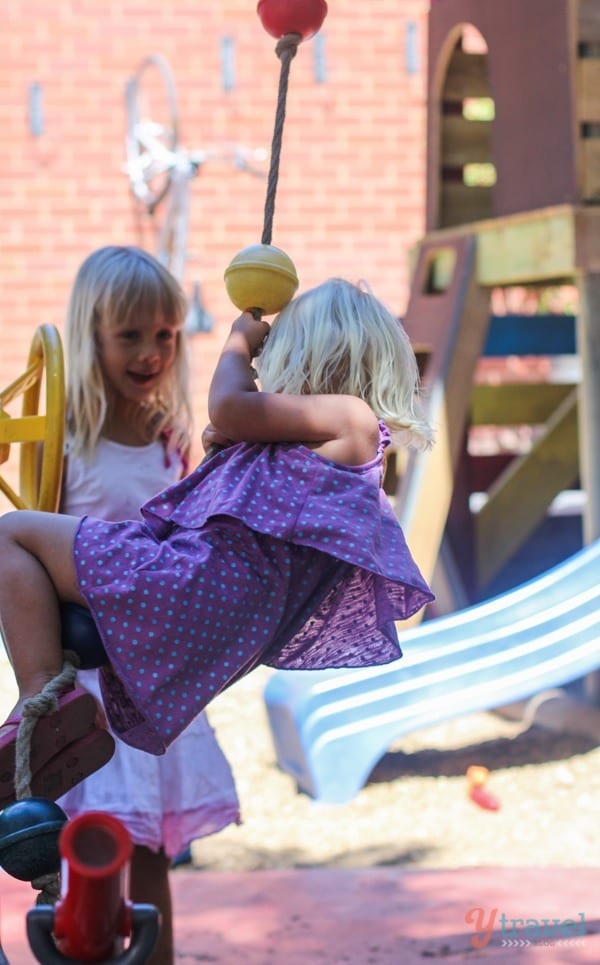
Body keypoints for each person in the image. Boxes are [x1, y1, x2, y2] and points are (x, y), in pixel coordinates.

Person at [0, 275, 435, 789]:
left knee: (13, 534)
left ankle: (39, 697)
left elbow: (226, 405)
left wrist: (237, 343)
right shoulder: (316, 453)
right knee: (42, 571)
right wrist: (226, 453)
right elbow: (228, 510)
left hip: (188, 585)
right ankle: (67, 733)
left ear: (303, 356)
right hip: (220, 621)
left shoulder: (354, 422)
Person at [2, 246, 241, 965]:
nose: (151, 352)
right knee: (84, 845)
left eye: (165, 334)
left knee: (151, 851)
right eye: (130, 335)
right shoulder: (64, 443)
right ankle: (79, 952)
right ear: (92, 336)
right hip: (90, 683)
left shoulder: (173, 440)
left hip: (151, 680)